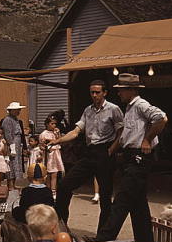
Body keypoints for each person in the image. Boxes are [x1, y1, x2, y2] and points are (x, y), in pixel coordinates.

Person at [95, 74, 167, 242]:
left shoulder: (140, 105)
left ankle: (104, 238)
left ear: (131, 90)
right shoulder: (130, 107)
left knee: (122, 199)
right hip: (131, 155)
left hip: (139, 156)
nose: (118, 93)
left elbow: (162, 118)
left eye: (121, 90)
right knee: (138, 205)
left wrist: (147, 140)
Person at [47, 79, 124, 234]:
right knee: (64, 185)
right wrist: (57, 140)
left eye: (97, 92)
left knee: (105, 195)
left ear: (104, 93)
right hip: (90, 153)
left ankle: (104, 234)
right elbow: (76, 131)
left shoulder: (113, 109)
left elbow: (121, 132)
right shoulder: (88, 110)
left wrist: (111, 150)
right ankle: (61, 226)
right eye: (92, 92)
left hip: (105, 152)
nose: (94, 95)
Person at [1, 102, 27, 189]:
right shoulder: (7, 120)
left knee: (16, 164)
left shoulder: (16, 120)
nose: (18, 111)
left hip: (18, 144)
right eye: (16, 110)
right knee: (11, 165)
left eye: (19, 110)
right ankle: (10, 185)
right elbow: (8, 134)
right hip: (12, 144)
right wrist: (12, 147)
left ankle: (14, 184)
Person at [39, 116, 64, 198]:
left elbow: (60, 141)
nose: (54, 125)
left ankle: (53, 191)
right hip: (48, 155)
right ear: (47, 124)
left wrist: (58, 134)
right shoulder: (44, 134)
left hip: (56, 154)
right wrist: (45, 148)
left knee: (55, 173)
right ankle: (47, 190)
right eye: (52, 123)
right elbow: (41, 146)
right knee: (47, 173)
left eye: (55, 124)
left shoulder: (55, 132)